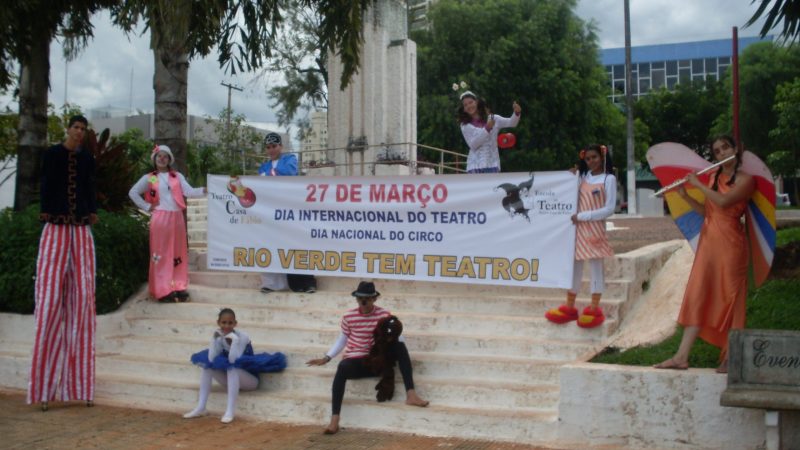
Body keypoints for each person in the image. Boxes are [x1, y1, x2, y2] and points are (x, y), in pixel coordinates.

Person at [654, 135, 754, 373]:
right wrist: (685, 196)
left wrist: (697, 185)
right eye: (717, 151)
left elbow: (724, 201)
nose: (721, 153)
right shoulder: (712, 177)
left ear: (736, 149)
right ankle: (681, 356)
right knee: (699, 295)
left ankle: (732, 356)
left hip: (731, 245)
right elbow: (707, 212)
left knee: (731, 298)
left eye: (725, 148)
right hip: (709, 244)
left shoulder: (746, 180)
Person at [28, 115, 98, 411]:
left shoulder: (88, 160)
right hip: (56, 228)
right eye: (76, 128)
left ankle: (81, 385)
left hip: (80, 229)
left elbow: (90, 187)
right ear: (68, 129)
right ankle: (44, 387)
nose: (79, 133)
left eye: (83, 129)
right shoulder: (53, 154)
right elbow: (46, 183)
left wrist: (91, 210)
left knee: (83, 300)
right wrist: (46, 210)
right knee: (48, 302)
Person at [306, 281, 428, 434]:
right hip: (356, 360)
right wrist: (327, 357)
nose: (363, 302)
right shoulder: (349, 316)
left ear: (374, 299)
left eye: (367, 298)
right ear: (356, 299)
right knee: (342, 368)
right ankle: (335, 419)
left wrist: (394, 343)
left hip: (377, 360)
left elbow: (398, 336)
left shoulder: (384, 315)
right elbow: (342, 339)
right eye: (360, 298)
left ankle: (411, 394)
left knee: (400, 346)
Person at [545, 144, 616, 329]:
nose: (592, 161)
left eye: (594, 157)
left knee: (595, 269)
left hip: (594, 229)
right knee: (574, 267)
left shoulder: (609, 179)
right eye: (588, 159)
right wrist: (570, 178)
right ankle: (569, 306)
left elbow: (609, 209)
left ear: (602, 157)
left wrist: (583, 216)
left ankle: (594, 308)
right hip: (577, 230)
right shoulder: (583, 177)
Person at [129, 145, 206, 303]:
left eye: (165, 156)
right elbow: (133, 192)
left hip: (177, 218)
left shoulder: (176, 176)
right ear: (155, 159)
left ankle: (178, 286)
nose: (162, 159)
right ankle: (162, 289)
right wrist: (147, 206)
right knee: (161, 254)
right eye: (159, 156)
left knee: (179, 253)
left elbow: (189, 191)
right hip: (160, 218)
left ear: (170, 159)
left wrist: (205, 189)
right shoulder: (152, 177)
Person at [184, 308, 287, 423]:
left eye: (230, 323)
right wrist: (214, 340)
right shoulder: (219, 335)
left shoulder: (242, 337)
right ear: (218, 323)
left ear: (235, 323)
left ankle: (229, 411)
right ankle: (201, 407)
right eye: (223, 322)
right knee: (207, 367)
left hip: (250, 380)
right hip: (231, 381)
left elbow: (234, 360)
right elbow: (211, 358)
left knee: (232, 368)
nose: (227, 326)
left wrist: (235, 341)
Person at [257, 132, 317, 294]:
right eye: (268, 147)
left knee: (295, 244)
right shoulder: (263, 166)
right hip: (270, 212)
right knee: (270, 245)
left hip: (290, 211)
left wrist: (268, 175)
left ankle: (306, 283)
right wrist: (269, 175)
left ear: (280, 146)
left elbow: (288, 173)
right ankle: (271, 284)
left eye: (274, 146)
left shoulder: (290, 159)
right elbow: (259, 181)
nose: (271, 150)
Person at [457, 91, 521, 173]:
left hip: (493, 165)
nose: (469, 106)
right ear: (464, 109)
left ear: (476, 102)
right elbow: (473, 145)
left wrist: (517, 112)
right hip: (474, 167)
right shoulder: (464, 125)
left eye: (470, 102)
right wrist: (487, 128)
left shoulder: (493, 118)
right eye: (465, 105)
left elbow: (512, 123)